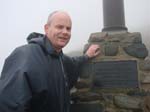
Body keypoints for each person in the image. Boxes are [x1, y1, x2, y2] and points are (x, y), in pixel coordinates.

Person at [0, 10, 100, 112]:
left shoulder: (61, 59)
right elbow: (10, 104)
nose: (65, 32)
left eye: (68, 28)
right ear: (46, 29)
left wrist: (87, 56)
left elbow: (73, 62)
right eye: (59, 27)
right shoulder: (25, 55)